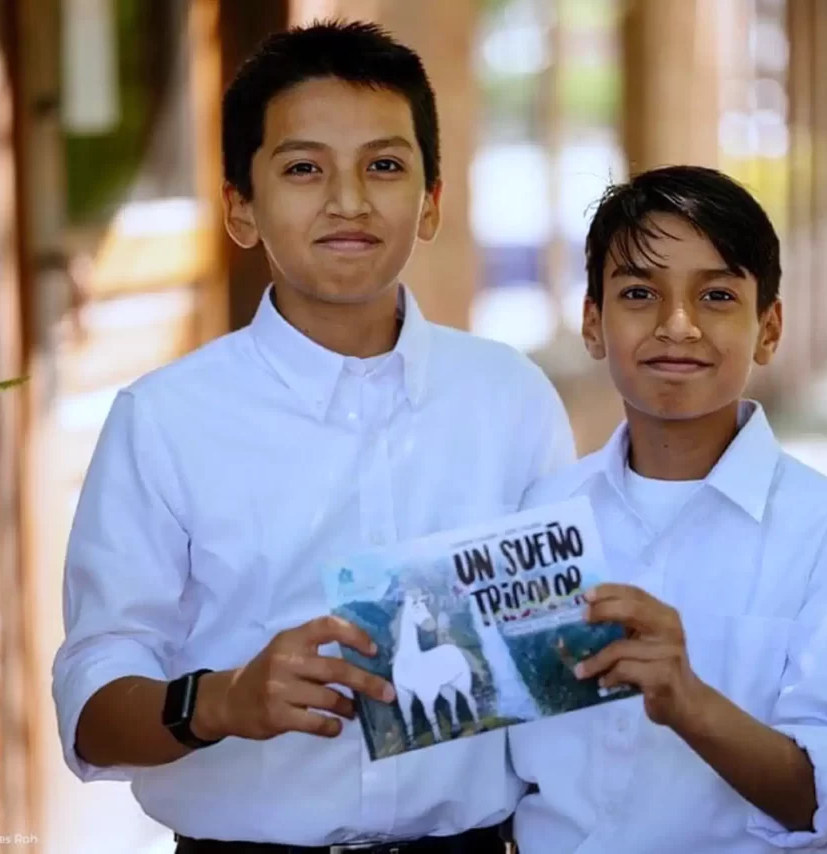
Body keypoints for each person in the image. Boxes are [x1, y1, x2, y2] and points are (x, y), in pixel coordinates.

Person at [51, 20, 575, 854]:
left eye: (385, 165)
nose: (349, 200)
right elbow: (90, 710)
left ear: (432, 202)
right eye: (303, 168)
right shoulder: (165, 421)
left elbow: (552, 663)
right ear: (240, 209)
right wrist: (223, 700)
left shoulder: (510, 399)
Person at [508, 165, 827, 854]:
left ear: (768, 329)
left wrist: (690, 701)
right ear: (593, 324)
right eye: (637, 292)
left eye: (717, 295)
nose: (677, 325)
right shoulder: (540, 516)